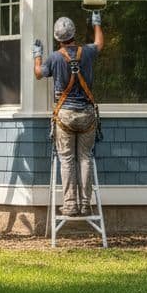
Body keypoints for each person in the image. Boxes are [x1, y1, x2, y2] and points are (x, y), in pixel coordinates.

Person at [33, 12, 104, 217]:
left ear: (57, 38)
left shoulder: (55, 58)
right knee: (85, 157)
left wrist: (37, 55)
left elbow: (38, 74)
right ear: (73, 33)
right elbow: (99, 43)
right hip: (87, 115)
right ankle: (85, 204)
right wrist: (96, 23)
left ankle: (70, 204)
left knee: (66, 159)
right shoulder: (87, 52)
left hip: (65, 115)